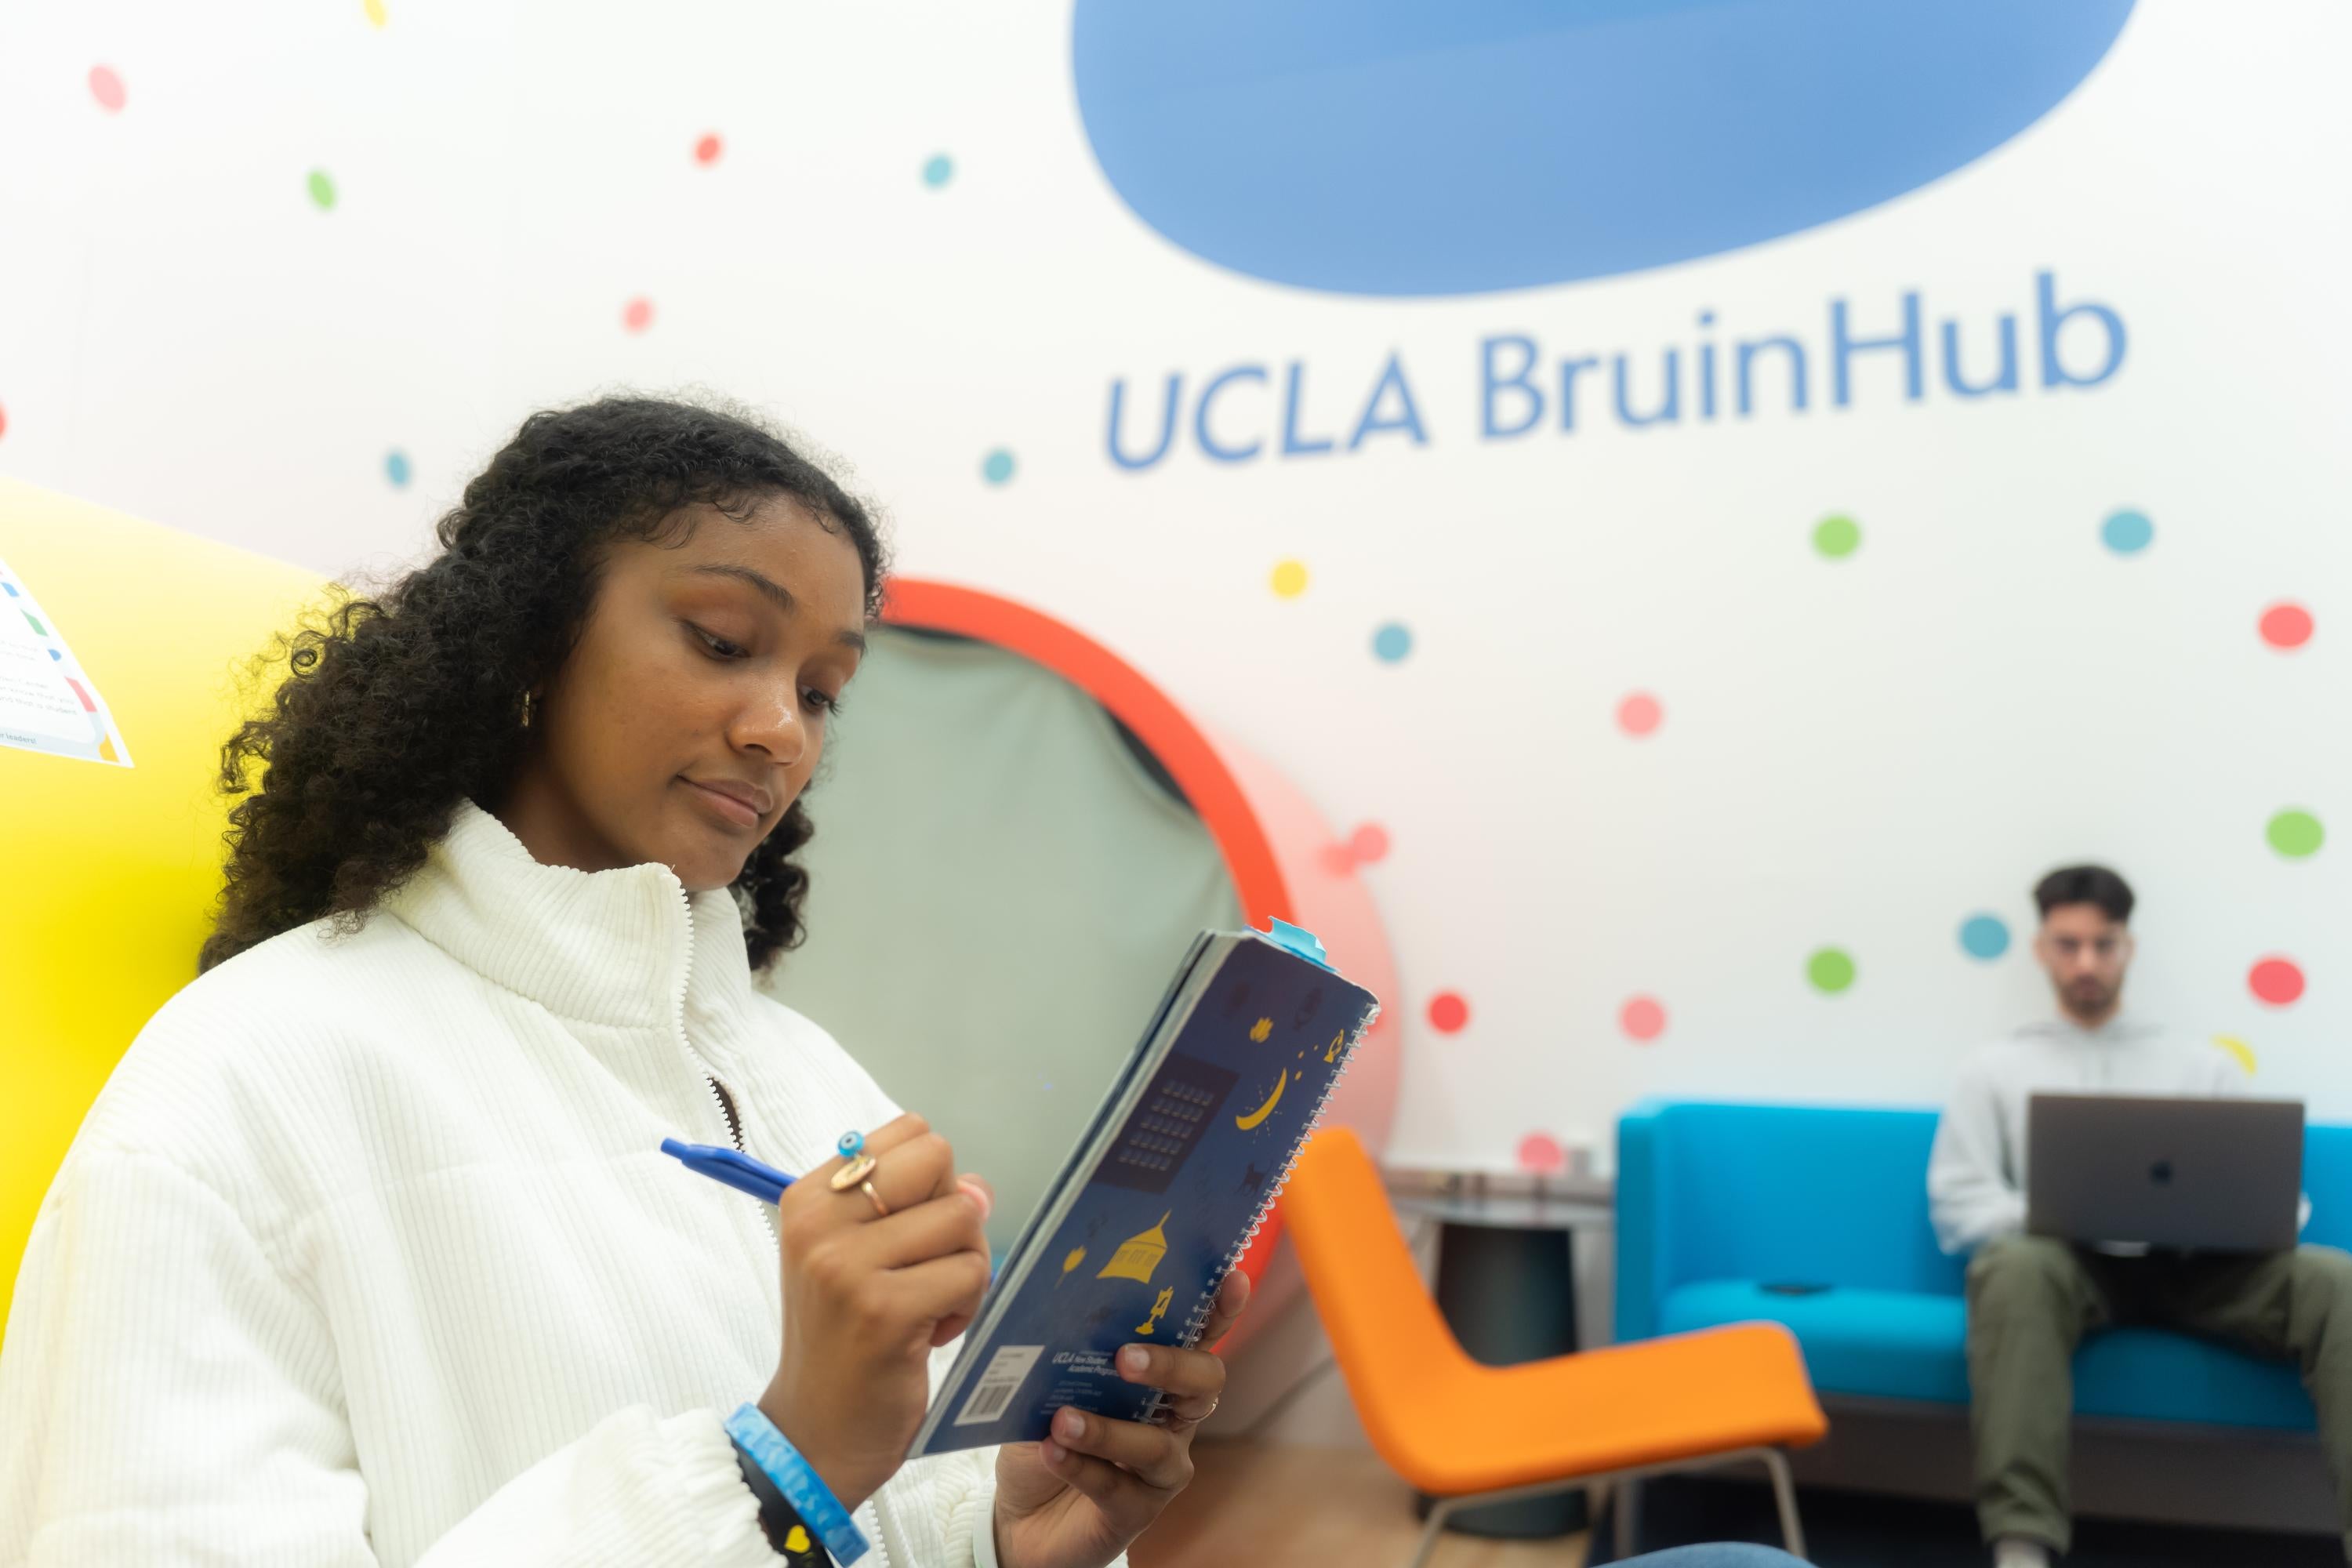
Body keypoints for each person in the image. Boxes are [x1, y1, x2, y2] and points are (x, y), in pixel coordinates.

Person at [0, 394, 1799, 1568]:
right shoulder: (241, 1086)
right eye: (721, 639)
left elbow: (890, 1502)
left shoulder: (796, 1074)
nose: (779, 726)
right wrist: (771, 1466)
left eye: (826, 683)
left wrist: (1017, 1505)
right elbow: (794, 1483)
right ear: (523, 637)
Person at [1928, 864, 2352, 1567]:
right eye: (2068, 944)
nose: (2086, 962)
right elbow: (1956, 1206)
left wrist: (2239, 1214)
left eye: (2104, 943)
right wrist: (2055, 1212)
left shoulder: (2201, 1066)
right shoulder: (1992, 1070)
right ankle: (2021, 1547)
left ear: (2129, 946)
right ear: (2040, 948)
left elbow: (2285, 1207)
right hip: (2069, 1273)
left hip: (2203, 1275)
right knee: (2013, 1264)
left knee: (2337, 1280)